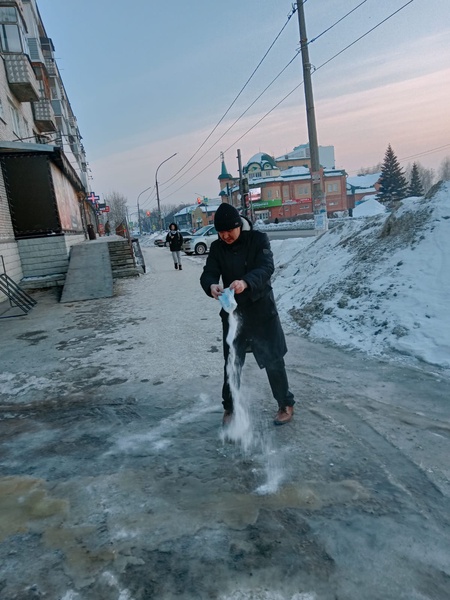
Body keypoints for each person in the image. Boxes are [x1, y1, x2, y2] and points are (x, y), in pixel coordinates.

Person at [200, 203, 295, 426]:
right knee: (232, 362)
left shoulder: (258, 239)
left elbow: (266, 268)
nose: (225, 236)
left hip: (262, 312)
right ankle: (230, 408)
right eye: (220, 233)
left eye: (229, 231)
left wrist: (245, 282)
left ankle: (285, 403)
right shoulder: (217, 248)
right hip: (233, 315)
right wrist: (212, 285)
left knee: (273, 360)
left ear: (238, 226)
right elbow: (209, 273)